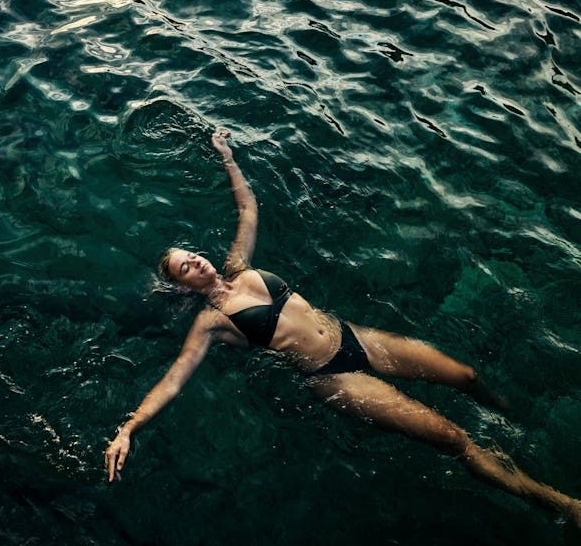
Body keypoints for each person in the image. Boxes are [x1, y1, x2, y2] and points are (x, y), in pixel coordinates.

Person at [104, 129, 581, 525]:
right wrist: (130, 427)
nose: (195, 262)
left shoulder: (240, 264)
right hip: (333, 378)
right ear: (183, 288)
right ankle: (557, 503)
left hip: (355, 337)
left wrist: (227, 156)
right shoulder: (211, 324)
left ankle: (508, 410)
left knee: (466, 376)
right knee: (454, 440)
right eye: (184, 268)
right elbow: (175, 377)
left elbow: (248, 209)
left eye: (191, 255)